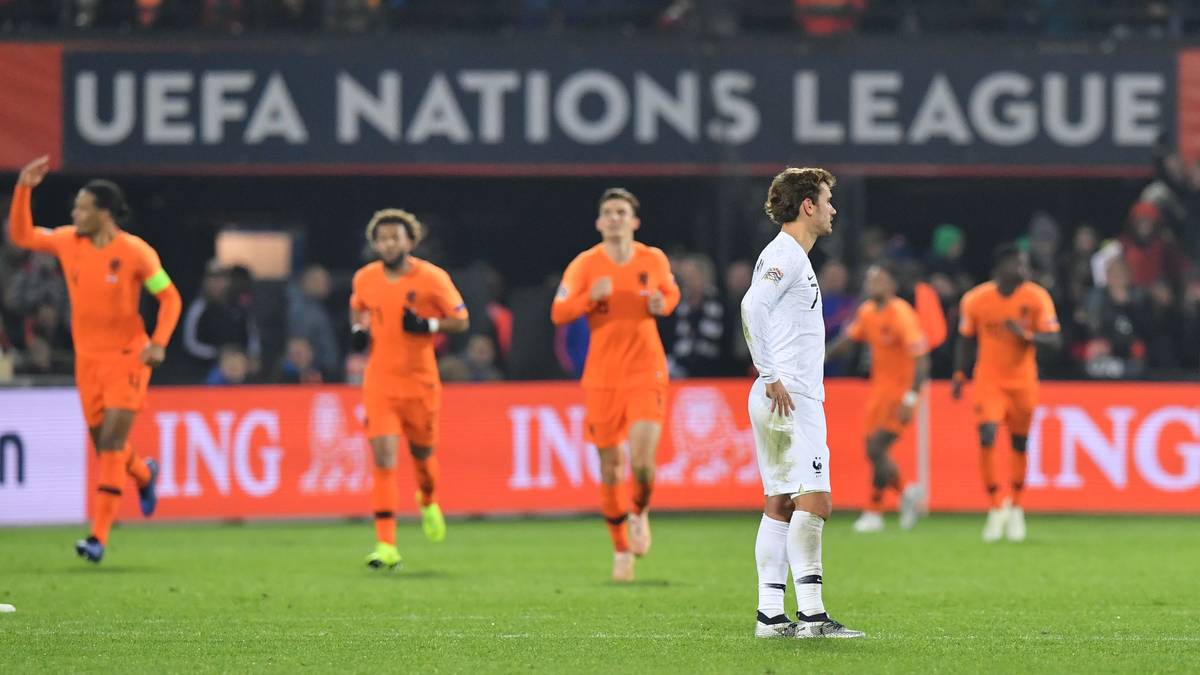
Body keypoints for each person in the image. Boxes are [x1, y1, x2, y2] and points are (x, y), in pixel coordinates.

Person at [7, 156, 182, 563]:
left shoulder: (136, 253)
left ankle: (97, 537)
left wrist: (157, 342)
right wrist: (23, 189)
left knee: (110, 443)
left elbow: (169, 296)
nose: (75, 214)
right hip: (88, 361)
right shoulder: (68, 242)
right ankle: (143, 473)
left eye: (83, 207)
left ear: (104, 213)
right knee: (104, 447)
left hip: (127, 358)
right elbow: (23, 236)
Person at [742, 167, 864, 639]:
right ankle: (812, 615)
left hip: (781, 394)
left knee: (780, 504)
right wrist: (771, 375)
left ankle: (770, 616)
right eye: (828, 200)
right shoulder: (785, 255)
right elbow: (752, 306)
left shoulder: (789, 256)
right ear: (808, 206)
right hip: (790, 396)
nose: (833, 209)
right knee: (816, 501)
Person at [550, 188, 679, 582]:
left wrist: (665, 304)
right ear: (599, 222)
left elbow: (670, 292)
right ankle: (621, 548)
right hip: (603, 377)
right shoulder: (586, 265)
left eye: (622, 212)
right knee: (610, 468)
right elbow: (559, 312)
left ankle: (638, 511)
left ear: (634, 221)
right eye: (608, 213)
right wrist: (591, 297)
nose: (615, 218)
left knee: (641, 464)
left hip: (646, 371)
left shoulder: (652, 258)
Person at [349, 208, 469, 570]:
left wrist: (428, 323)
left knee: (422, 457)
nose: (388, 244)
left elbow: (461, 320)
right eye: (382, 238)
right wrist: (358, 329)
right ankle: (386, 546)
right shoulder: (365, 278)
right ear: (375, 243)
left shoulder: (432, 278)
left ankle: (428, 499)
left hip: (420, 383)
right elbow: (358, 309)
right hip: (380, 382)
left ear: (410, 241)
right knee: (384, 457)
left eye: (395, 237)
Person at [952, 244, 1061, 543]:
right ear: (1001, 267)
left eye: (1025, 265)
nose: (1024, 270)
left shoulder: (1036, 296)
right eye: (1018, 264)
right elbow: (965, 339)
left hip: (1023, 383)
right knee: (987, 434)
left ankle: (1016, 505)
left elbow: (1055, 340)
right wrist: (959, 374)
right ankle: (995, 505)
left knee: (1019, 444)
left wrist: (1025, 335)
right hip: (988, 380)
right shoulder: (976, 300)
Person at [826, 263, 929, 533]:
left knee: (876, 449)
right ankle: (906, 493)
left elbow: (921, 359)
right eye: (869, 280)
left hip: (899, 395)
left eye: (879, 280)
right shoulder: (868, 312)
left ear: (892, 285)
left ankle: (874, 511)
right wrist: (821, 356)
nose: (872, 285)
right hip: (878, 394)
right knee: (873, 451)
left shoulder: (902, 315)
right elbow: (848, 340)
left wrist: (911, 397)